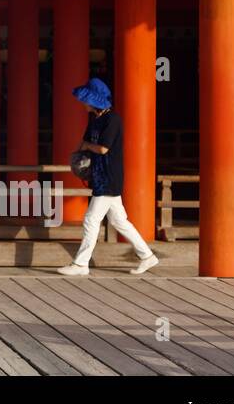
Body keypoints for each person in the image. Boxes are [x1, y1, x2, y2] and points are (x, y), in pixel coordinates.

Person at [57, 77, 160, 276]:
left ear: (94, 100)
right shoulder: (95, 119)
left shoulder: (113, 120)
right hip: (98, 175)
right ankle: (147, 256)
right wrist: (77, 157)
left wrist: (87, 147)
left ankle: (80, 264)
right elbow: (85, 141)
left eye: (86, 100)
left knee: (90, 219)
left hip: (109, 177)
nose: (83, 103)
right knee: (120, 221)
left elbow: (103, 148)